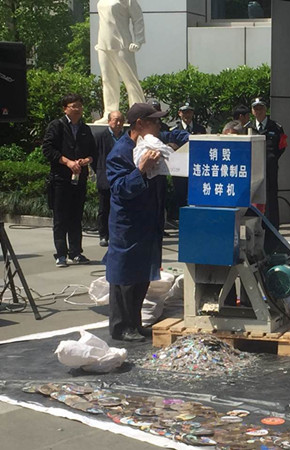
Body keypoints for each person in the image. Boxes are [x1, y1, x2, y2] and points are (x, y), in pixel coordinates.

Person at [105, 103, 177, 342]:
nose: (158, 125)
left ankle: (135, 323)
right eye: (154, 121)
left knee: (142, 275)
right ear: (139, 124)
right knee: (125, 276)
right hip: (128, 223)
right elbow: (119, 188)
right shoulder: (120, 152)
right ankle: (121, 326)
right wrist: (141, 171)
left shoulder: (150, 145)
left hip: (149, 220)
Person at [42, 94, 96, 268]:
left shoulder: (85, 129)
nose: (78, 109)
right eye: (74, 106)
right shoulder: (56, 126)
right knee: (60, 217)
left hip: (79, 179)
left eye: (80, 106)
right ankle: (61, 254)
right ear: (65, 108)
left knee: (76, 216)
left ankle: (76, 252)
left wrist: (86, 160)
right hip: (61, 179)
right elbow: (48, 149)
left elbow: (93, 152)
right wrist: (67, 162)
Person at [94, 0, 146, 124]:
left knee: (131, 80)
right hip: (103, 44)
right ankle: (109, 113)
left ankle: (138, 112)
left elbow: (138, 18)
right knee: (108, 80)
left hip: (122, 44)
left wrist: (138, 41)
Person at [248, 97, 287, 229]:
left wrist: (272, 158)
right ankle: (255, 226)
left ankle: (273, 227)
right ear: (252, 111)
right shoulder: (248, 128)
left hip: (270, 167)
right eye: (255, 108)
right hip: (253, 168)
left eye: (261, 108)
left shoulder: (276, 127)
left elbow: (282, 146)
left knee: (271, 196)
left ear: (266, 110)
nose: (258, 111)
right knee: (253, 196)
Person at [92, 110, 124, 247]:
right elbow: (94, 157)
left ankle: (117, 235)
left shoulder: (125, 137)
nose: (118, 123)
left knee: (120, 209)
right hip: (105, 177)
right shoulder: (100, 136)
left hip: (121, 178)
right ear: (109, 121)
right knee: (104, 208)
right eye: (115, 120)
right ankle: (104, 235)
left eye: (121, 120)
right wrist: (99, 171)